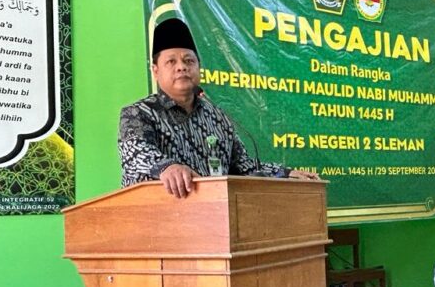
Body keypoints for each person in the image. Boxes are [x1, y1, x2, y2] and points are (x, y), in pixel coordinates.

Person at [118, 18, 318, 197]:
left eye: (189, 60)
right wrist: (168, 167)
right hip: (153, 218)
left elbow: (243, 166)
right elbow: (135, 152)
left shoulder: (218, 118)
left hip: (210, 218)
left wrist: (285, 173)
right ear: (155, 71)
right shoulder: (138, 113)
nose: (182, 67)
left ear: (199, 67)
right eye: (171, 61)